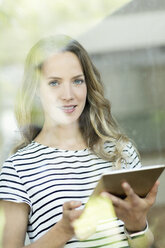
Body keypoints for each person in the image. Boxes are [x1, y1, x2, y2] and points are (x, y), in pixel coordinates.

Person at [0, 35, 159, 248]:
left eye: (77, 81)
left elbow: (145, 245)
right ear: (36, 89)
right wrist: (63, 231)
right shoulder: (18, 168)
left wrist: (137, 225)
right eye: (54, 83)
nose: (68, 94)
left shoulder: (121, 152)